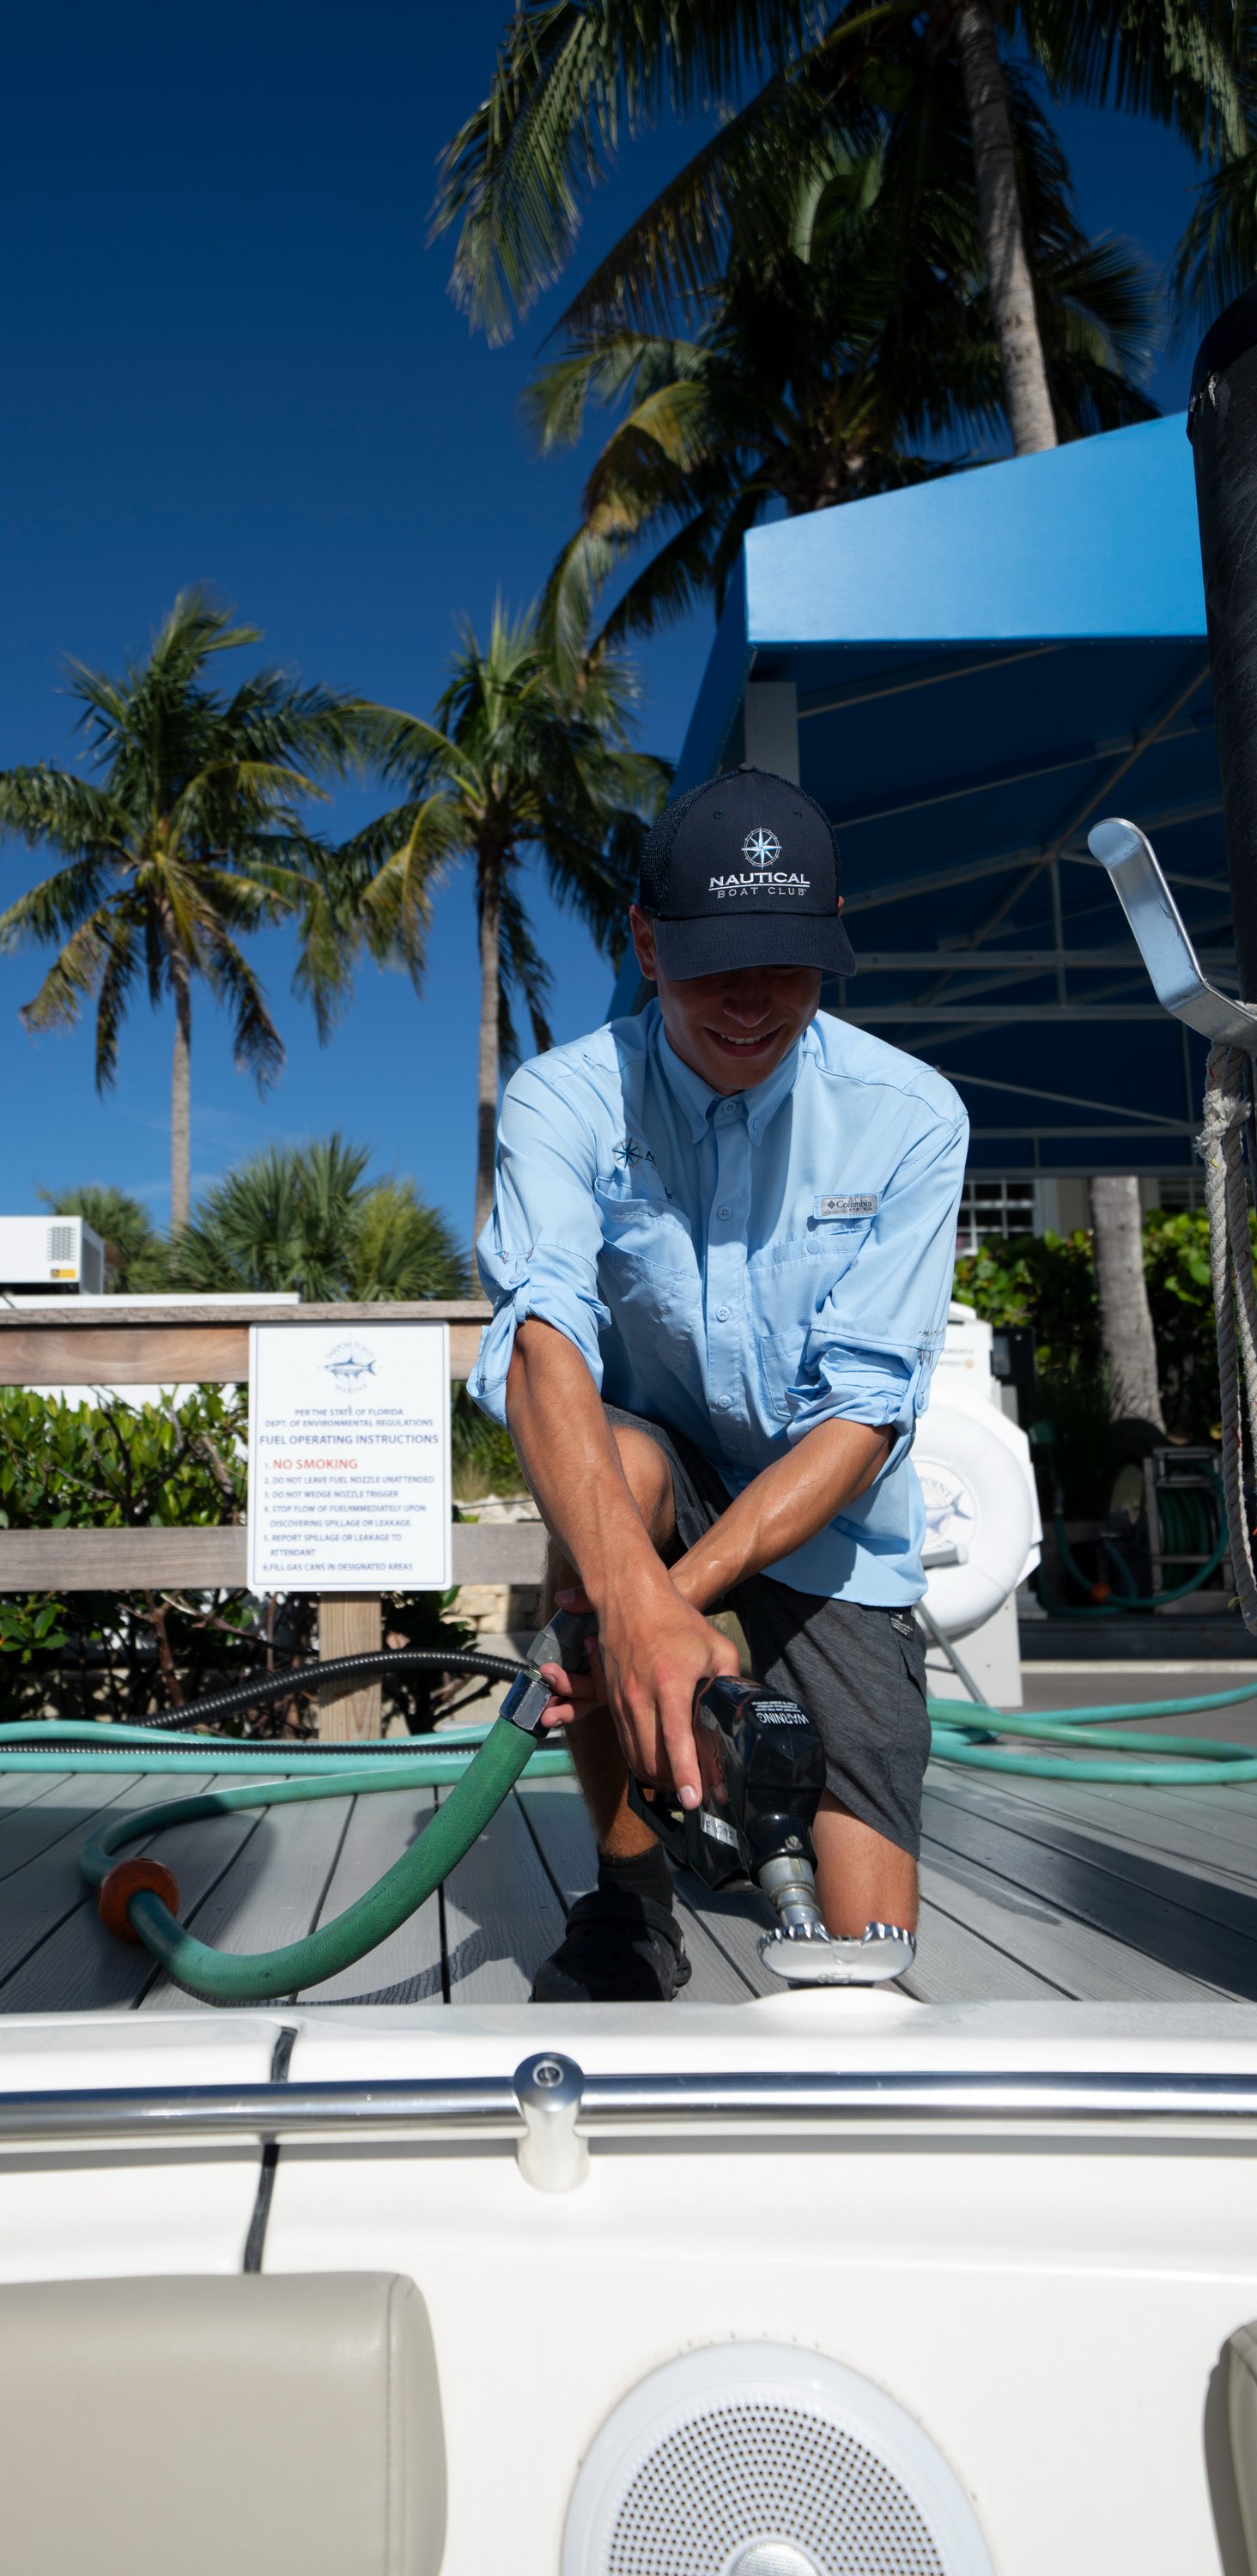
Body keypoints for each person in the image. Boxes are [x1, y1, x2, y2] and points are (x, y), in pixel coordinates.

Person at [468, 763, 969, 2002]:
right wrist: (630, 1595)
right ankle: (634, 1896)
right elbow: (542, 1342)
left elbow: (865, 1410)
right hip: (649, 1473)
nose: (751, 1002)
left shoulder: (913, 1119)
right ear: (647, 944)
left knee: (867, 1957)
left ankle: (708, 1763)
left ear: (833, 939)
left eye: (787, 963)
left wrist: (660, 1612)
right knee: (613, 1478)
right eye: (712, 964)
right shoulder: (564, 1098)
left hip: (826, 1501)